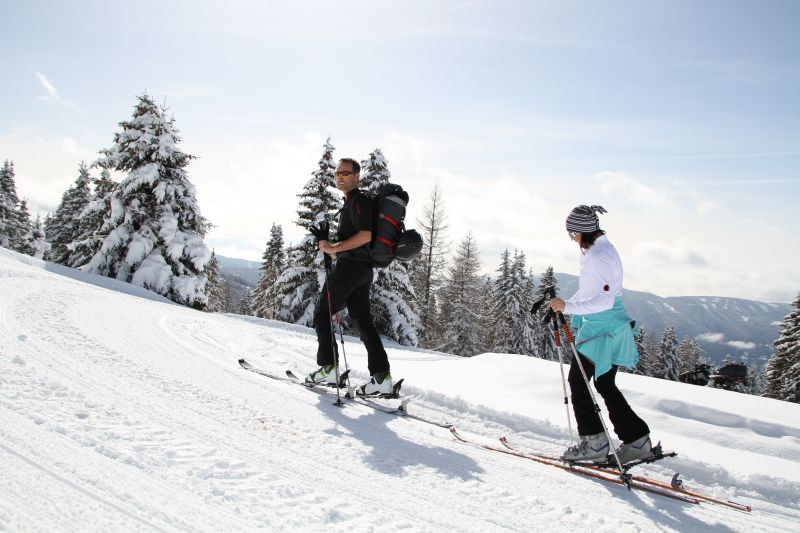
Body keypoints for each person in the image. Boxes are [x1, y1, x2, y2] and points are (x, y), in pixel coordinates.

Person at [548, 205, 652, 464]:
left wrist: (569, 307)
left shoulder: (599, 257)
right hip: (609, 325)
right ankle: (637, 440)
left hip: (602, 328)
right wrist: (565, 305)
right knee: (604, 384)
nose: (572, 239)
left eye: (572, 234)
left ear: (580, 232)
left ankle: (594, 443)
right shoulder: (598, 251)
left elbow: (603, 300)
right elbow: (590, 293)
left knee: (578, 382)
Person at [306, 157, 393, 396]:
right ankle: (381, 377)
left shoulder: (359, 200)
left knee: (322, 312)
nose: (340, 177)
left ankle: (328, 368)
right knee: (361, 321)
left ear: (357, 176)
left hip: (352, 270)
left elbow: (365, 236)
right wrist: (331, 247)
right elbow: (356, 243)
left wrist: (333, 248)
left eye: (346, 173)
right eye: (338, 173)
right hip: (361, 271)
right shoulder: (350, 204)